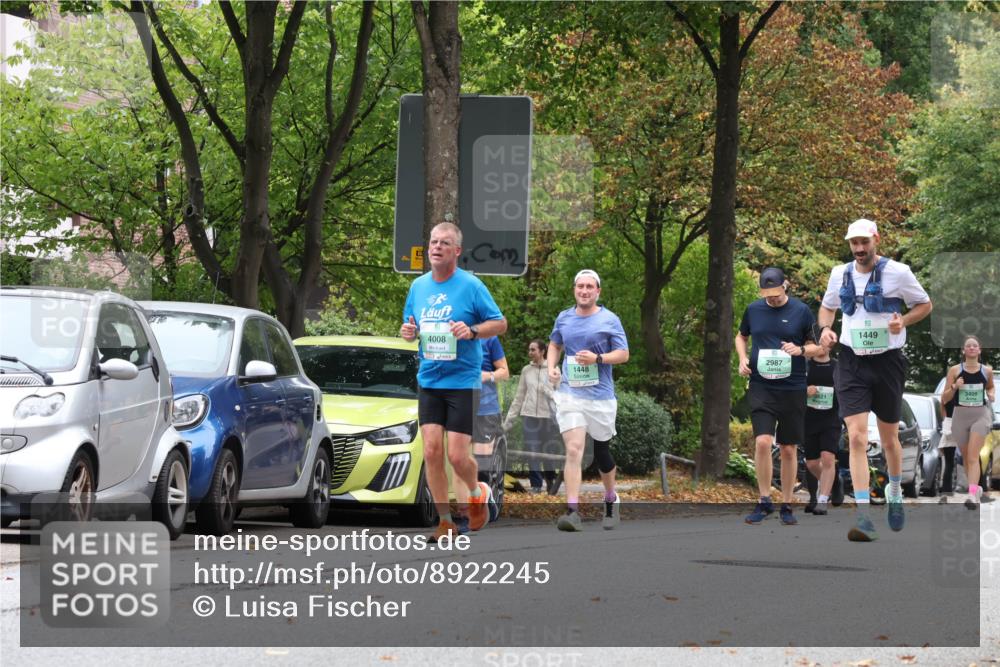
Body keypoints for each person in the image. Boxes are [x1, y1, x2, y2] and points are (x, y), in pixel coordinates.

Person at [817, 218, 932, 541]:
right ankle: (864, 515)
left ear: (875, 240)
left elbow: (924, 304)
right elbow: (827, 308)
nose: (859, 249)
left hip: (888, 362)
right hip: (852, 361)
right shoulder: (839, 274)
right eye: (854, 243)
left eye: (864, 243)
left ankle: (894, 492)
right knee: (854, 437)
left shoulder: (899, 272)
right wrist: (825, 329)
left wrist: (904, 321)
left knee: (889, 438)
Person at [401, 222, 507, 542]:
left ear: (457, 251)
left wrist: (472, 331)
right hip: (430, 379)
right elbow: (411, 326)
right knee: (432, 451)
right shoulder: (418, 286)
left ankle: (477, 494)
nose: (436, 247)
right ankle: (445, 520)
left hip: (462, 380)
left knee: (457, 456)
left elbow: (500, 324)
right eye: (433, 242)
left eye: (444, 243)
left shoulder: (472, 286)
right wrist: (408, 333)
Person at [736, 267, 821, 526]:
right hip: (762, 385)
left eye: (775, 293)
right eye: (767, 294)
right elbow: (741, 336)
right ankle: (763, 500)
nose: (771, 299)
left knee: (787, 448)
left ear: (787, 285)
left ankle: (786, 503)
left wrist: (800, 349)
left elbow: (818, 347)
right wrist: (741, 358)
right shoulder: (754, 309)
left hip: (792, 387)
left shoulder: (801, 311)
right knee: (762, 442)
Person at [547, 269, 629, 531]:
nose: (584, 291)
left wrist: (599, 359)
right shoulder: (564, 318)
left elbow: (624, 354)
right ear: (574, 289)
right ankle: (572, 511)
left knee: (602, 453)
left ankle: (610, 498)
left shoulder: (610, 320)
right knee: (574, 449)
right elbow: (554, 344)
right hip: (571, 393)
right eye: (580, 286)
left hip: (601, 397)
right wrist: (551, 367)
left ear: (597, 291)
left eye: (589, 287)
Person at [452, 335, 509, 533]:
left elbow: (505, 371)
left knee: (483, 466)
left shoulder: (489, 338)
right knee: (460, 463)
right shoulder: (449, 336)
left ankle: (486, 497)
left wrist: (488, 376)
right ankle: (466, 516)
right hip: (460, 407)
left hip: (486, 409)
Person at [939, 335, 995, 510]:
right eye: (968, 346)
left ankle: (971, 494)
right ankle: (976, 489)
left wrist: (991, 394)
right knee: (966, 457)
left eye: (974, 346)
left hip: (980, 415)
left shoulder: (987, 371)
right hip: (960, 416)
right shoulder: (955, 371)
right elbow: (944, 398)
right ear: (963, 350)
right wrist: (955, 387)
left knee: (972, 456)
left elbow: (990, 387)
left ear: (979, 350)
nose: (971, 348)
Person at [503, 339, 558, 494]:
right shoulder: (526, 370)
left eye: (533, 350)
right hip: (529, 418)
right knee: (532, 451)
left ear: (542, 351)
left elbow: (561, 396)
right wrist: (508, 422)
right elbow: (519, 397)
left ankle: (551, 482)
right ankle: (536, 485)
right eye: (529, 349)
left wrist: (546, 390)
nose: (530, 353)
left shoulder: (554, 369)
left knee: (548, 453)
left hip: (548, 417)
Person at [803, 347, 845, 515]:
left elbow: (847, 390)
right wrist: (804, 391)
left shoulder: (838, 367)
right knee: (812, 463)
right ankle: (834, 483)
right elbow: (793, 388)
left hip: (831, 419)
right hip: (809, 419)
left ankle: (822, 500)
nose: (821, 347)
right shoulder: (805, 366)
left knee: (828, 458)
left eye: (824, 343)